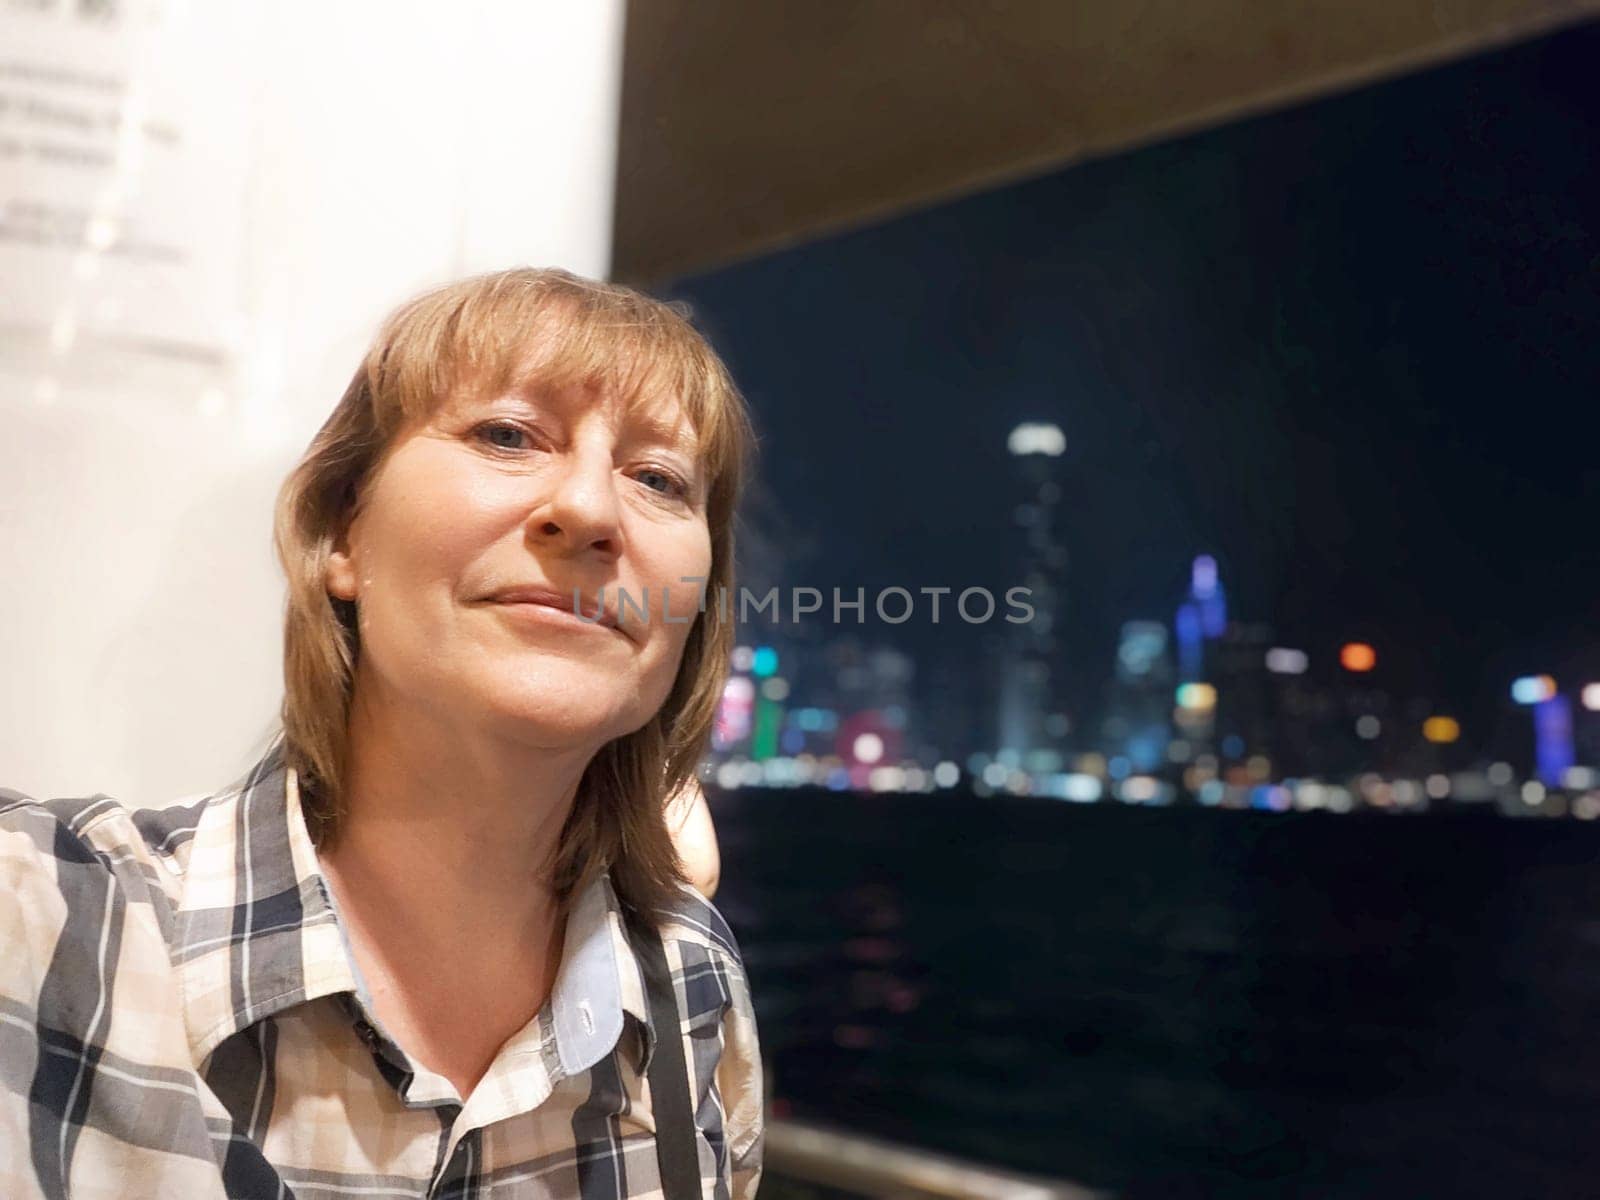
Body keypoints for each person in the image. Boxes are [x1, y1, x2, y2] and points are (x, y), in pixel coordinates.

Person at [0, 267, 763, 1198]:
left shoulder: (691, 987)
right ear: (343, 537)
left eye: (657, 478)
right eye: (508, 435)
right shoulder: (45, 922)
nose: (594, 511)